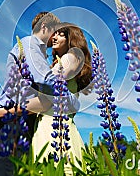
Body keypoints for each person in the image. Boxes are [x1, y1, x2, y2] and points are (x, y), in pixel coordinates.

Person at [0, 13, 80, 176]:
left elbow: (45, 99)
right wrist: (71, 100)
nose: (55, 37)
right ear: (45, 27)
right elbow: (48, 82)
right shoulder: (30, 44)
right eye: (55, 31)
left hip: (21, 122)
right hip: (8, 123)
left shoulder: (45, 55)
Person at [31, 23, 92, 174]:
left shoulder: (73, 57)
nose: (54, 36)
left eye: (60, 34)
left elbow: (48, 84)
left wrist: (12, 110)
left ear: (71, 37)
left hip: (58, 127)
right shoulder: (60, 61)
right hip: (48, 125)